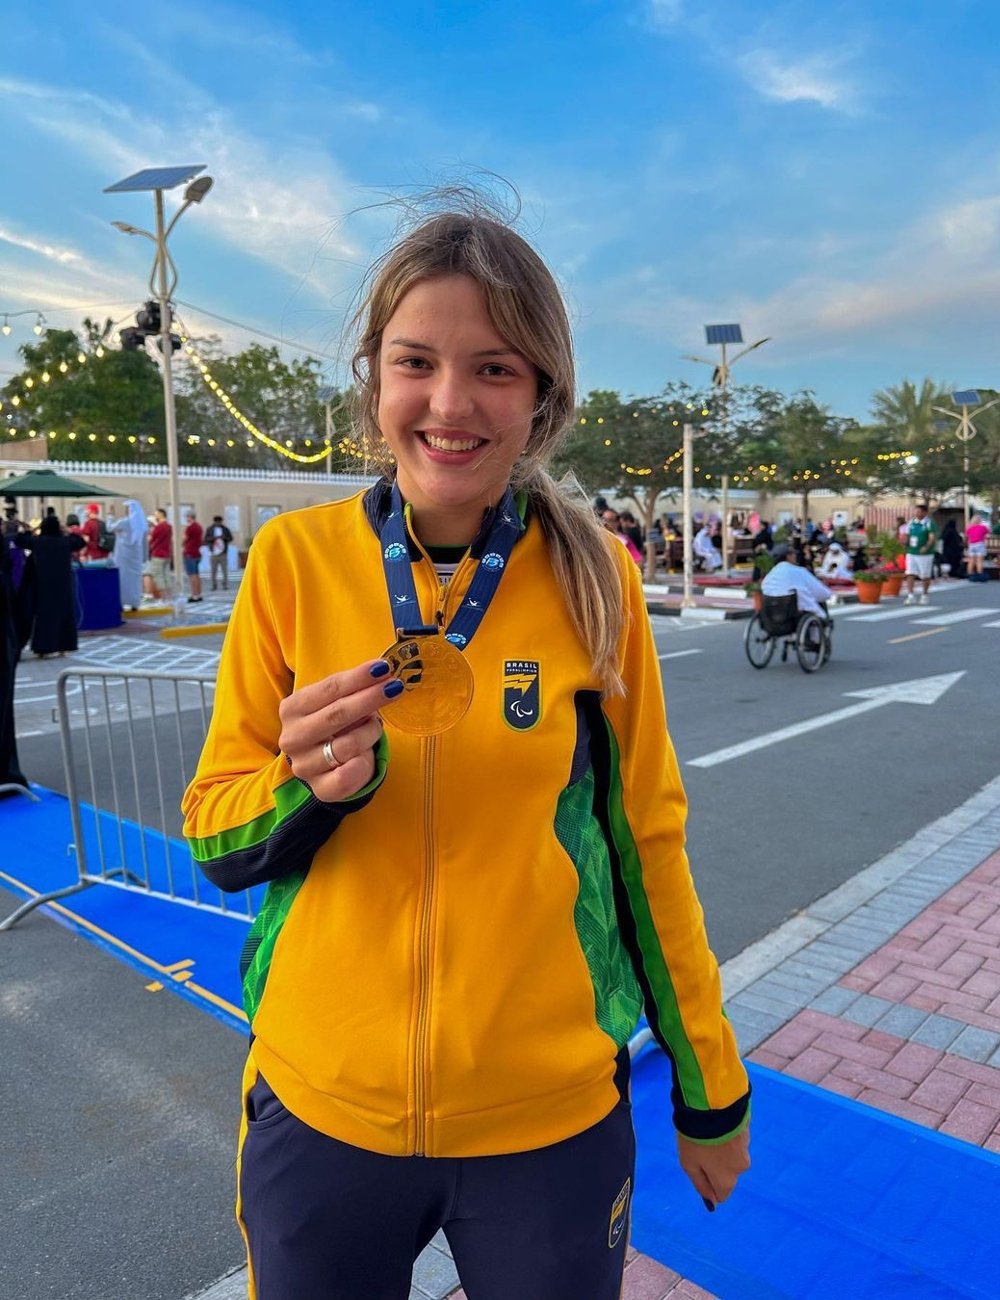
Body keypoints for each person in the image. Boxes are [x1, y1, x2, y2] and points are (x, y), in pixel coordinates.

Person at [181, 206, 750, 1300]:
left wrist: (709, 1089)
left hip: (548, 1125)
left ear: (541, 394)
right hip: (321, 1108)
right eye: (416, 362)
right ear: (374, 378)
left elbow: (647, 846)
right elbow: (215, 826)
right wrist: (305, 788)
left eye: (494, 367)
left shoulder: (601, 581)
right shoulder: (292, 561)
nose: (450, 403)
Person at [15, 515, 85, 657]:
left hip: (44, 585)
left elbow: (19, 540)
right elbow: (80, 541)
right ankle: (64, 646)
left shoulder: (39, 542)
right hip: (63, 585)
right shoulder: (65, 542)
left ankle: (43, 648)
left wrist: (29, 530)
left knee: (45, 617)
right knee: (63, 615)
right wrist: (67, 530)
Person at [761, 543, 833, 620]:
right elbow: (822, 593)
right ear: (788, 556)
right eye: (793, 554)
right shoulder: (799, 571)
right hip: (797, 615)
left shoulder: (768, 577)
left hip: (773, 616)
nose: (795, 556)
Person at [107, 500, 147, 611]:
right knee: (135, 579)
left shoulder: (125, 522)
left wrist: (110, 515)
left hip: (123, 556)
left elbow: (110, 528)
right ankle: (135, 603)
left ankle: (122, 602)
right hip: (136, 557)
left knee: (123, 579)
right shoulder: (141, 524)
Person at [903, 502, 938, 606]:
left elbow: (932, 538)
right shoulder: (911, 523)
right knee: (910, 573)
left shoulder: (929, 523)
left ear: (924, 512)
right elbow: (907, 535)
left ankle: (924, 594)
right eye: (915, 511)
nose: (916, 513)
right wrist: (905, 543)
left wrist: (926, 547)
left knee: (924, 575)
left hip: (925, 554)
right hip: (912, 552)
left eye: (919, 511)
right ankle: (910, 595)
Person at [142, 509, 172, 602]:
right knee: (166, 576)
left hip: (158, 554)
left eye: (156, 514)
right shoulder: (169, 526)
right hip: (166, 554)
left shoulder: (159, 527)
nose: (155, 516)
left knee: (158, 576)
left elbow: (150, 539)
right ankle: (169, 599)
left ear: (161, 514)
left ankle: (163, 599)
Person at [203, 514, 234, 591]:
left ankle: (225, 585)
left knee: (224, 570)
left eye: (219, 522)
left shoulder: (225, 529)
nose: (218, 523)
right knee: (213, 570)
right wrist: (213, 538)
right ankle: (214, 585)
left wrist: (224, 538)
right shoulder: (210, 529)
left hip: (223, 552)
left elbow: (230, 538)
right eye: (217, 522)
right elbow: (206, 539)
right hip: (213, 552)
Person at [183, 510, 204, 603]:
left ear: (189, 517)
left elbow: (184, 539)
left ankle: (194, 595)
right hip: (197, 553)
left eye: (187, 517)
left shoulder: (190, 527)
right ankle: (199, 594)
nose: (186, 519)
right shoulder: (199, 527)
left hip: (190, 552)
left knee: (192, 575)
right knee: (197, 574)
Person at [965, 511, 990, 581]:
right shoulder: (982, 527)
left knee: (971, 561)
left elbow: (967, 535)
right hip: (979, 544)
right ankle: (980, 574)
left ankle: (969, 574)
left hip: (971, 545)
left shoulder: (969, 528)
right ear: (979, 521)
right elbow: (988, 532)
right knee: (979, 561)